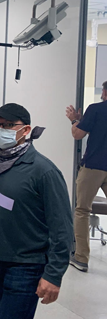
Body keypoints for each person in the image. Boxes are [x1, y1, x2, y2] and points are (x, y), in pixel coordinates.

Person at [0, 103, 73, 319]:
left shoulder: (43, 171)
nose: (0, 130)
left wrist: (53, 275)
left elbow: (62, 229)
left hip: (25, 265)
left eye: (8, 125)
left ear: (25, 130)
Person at [65, 80, 107, 273]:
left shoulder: (96, 109)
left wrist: (75, 120)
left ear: (105, 92)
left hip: (93, 167)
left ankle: (81, 258)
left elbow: (77, 134)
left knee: (82, 210)